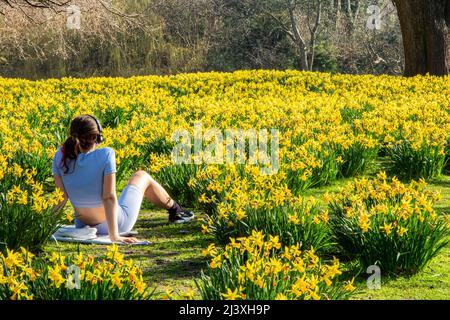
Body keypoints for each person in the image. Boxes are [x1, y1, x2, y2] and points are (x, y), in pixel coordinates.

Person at [52, 114, 194, 244]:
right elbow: (108, 197)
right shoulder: (106, 154)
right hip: (115, 224)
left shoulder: (60, 156)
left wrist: (47, 227)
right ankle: (176, 210)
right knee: (141, 176)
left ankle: (176, 210)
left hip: (83, 225)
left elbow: (61, 198)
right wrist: (114, 236)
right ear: (97, 137)